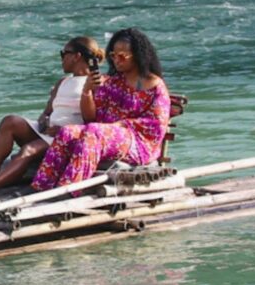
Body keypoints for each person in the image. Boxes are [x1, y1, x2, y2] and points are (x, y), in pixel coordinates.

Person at [31, 26, 171, 191]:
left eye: (122, 56)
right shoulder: (111, 83)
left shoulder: (155, 86)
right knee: (67, 132)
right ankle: (41, 187)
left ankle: (69, 190)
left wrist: (120, 126)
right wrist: (87, 90)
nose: (116, 60)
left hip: (137, 142)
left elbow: (155, 126)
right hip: (103, 135)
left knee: (93, 131)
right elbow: (91, 117)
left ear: (138, 56)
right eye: (113, 55)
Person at [0, 35, 105, 195]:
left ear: (76, 56)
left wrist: (63, 131)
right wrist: (44, 121)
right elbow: (47, 112)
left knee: (28, 149)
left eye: (63, 54)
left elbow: (97, 123)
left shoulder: (98, 84)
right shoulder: (62, 82)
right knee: (10, 121)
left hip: (69, 138)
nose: (61, 59)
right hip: (48, 133)